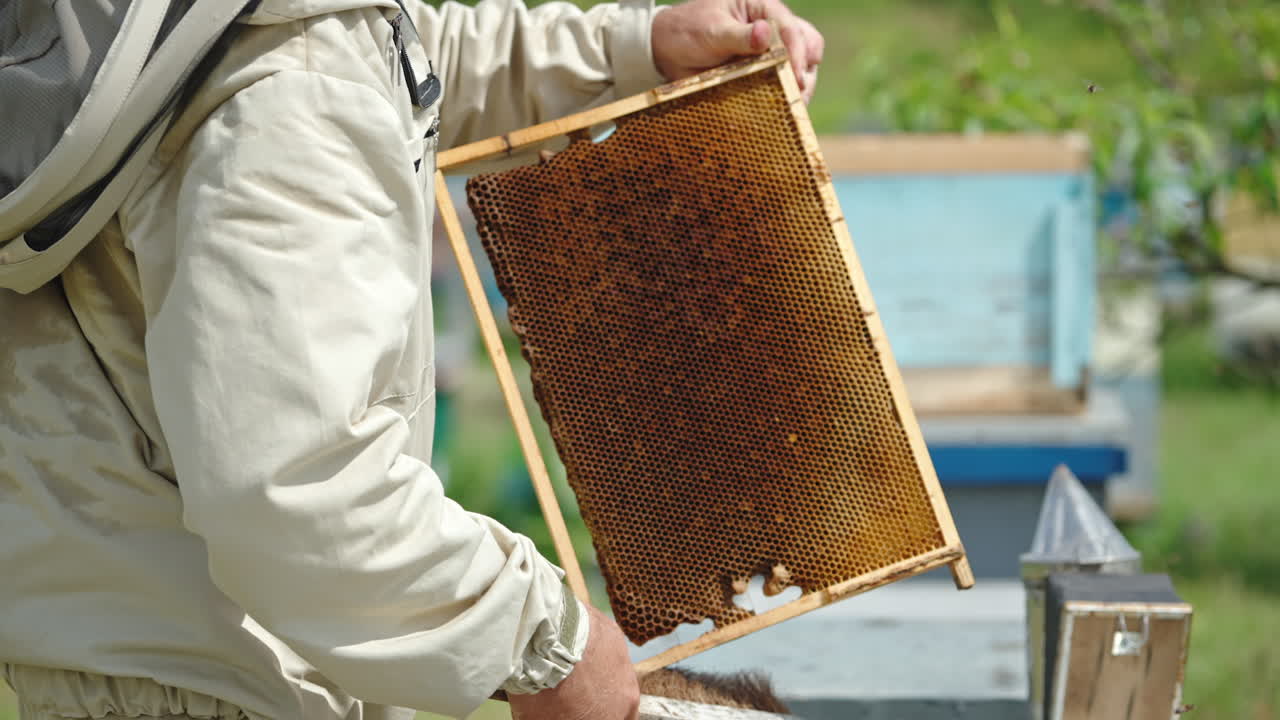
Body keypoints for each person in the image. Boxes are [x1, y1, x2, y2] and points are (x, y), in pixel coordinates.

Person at [0, 1, 822, 719]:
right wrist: (545, 642)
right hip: (233, 681)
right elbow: (296, 491)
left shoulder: (197, 30)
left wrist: (629, 49)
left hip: (128, 647)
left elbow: (386, 51)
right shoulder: (290, 91)